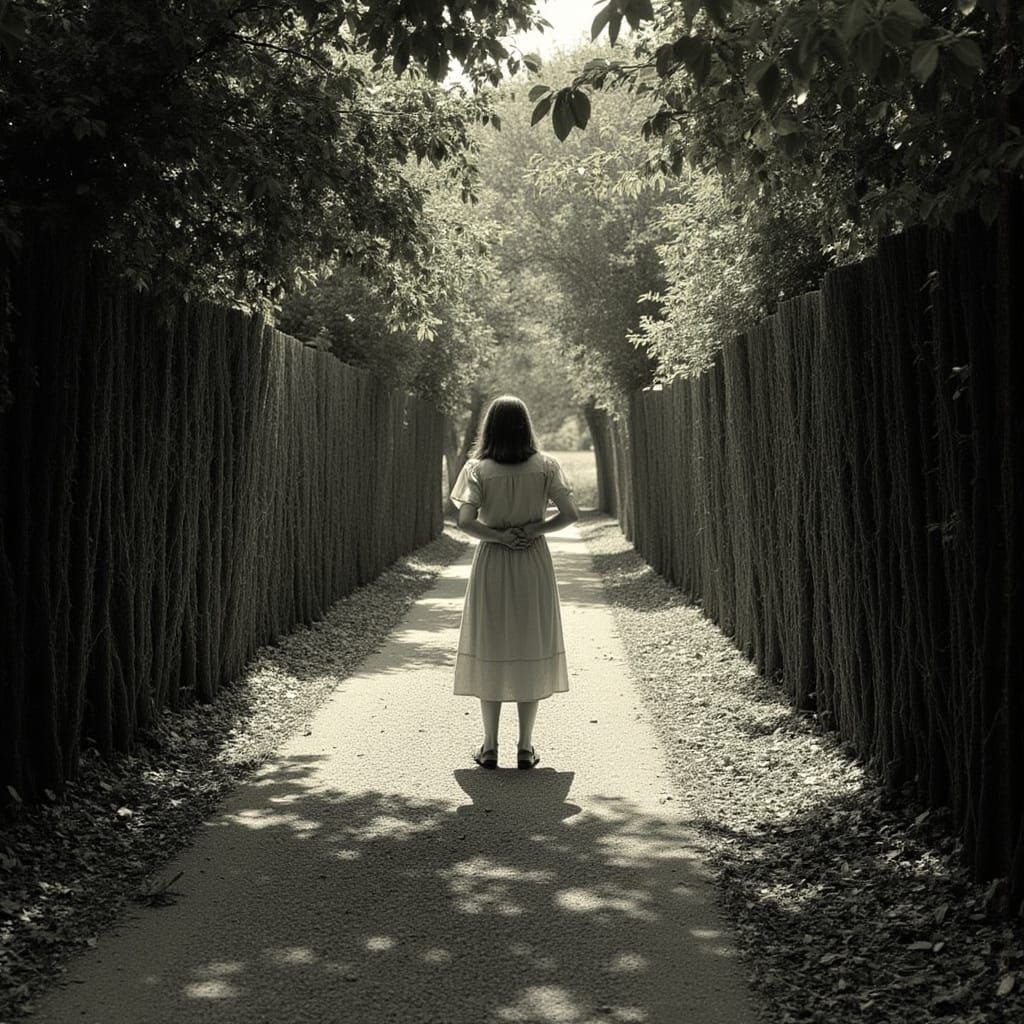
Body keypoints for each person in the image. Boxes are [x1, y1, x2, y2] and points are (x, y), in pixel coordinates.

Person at [449, 395, 579, 770]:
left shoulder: (477, 469)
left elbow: (465, 521)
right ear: (527, 426)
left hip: (493, 561)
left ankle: (489, 746)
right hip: (532, 560)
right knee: (529, 640)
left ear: (489, 427)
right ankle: (525, 746)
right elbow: (570, 514)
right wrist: (533, 529)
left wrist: (500, 536)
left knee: (490, 642)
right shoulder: (547, 467)